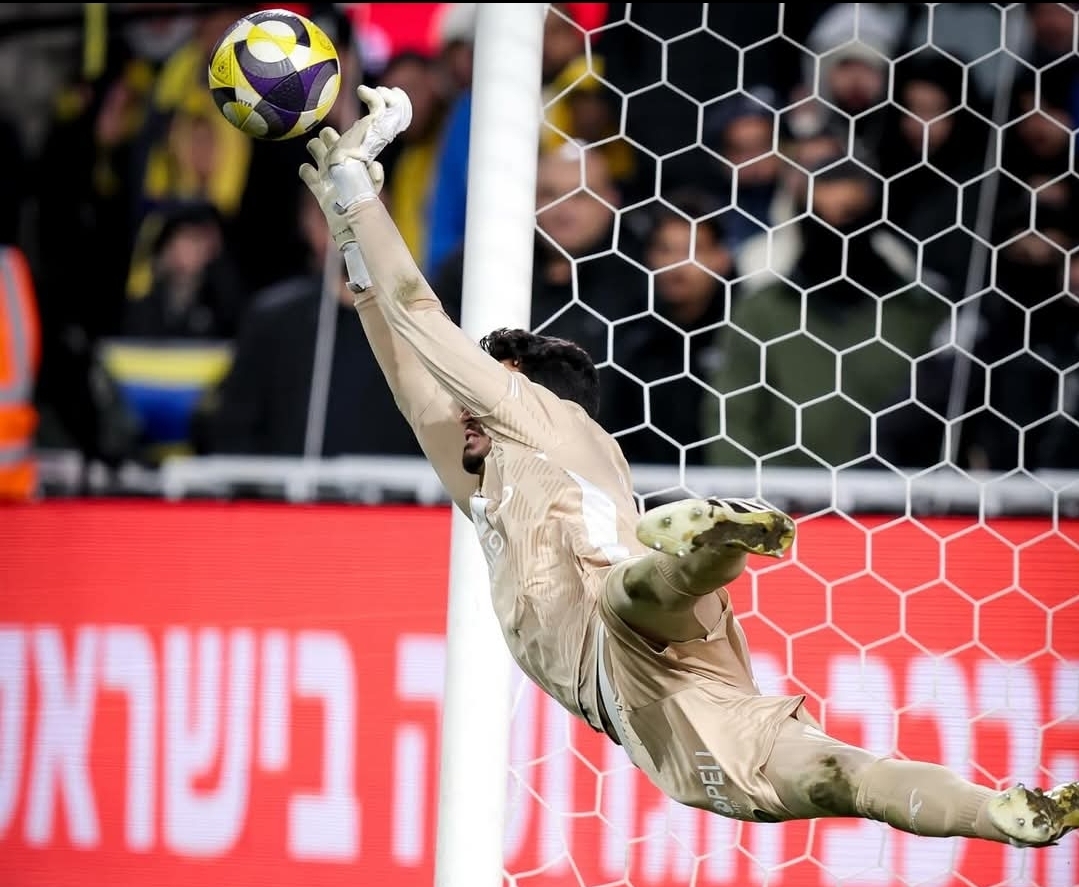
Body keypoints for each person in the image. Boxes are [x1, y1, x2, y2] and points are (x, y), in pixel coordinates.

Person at [297, 84, 1079, 849]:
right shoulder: (489, 479)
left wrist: (359, 190)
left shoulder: (537, 416)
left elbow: (418, 313)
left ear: (517, 386)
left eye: (479, 387)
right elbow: (401, 362)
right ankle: (1001, 812)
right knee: (849, 778)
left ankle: (712, 544)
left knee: (635, 593)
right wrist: (344, 222)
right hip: (685, 718)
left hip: (619, 630)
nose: (459, 402)